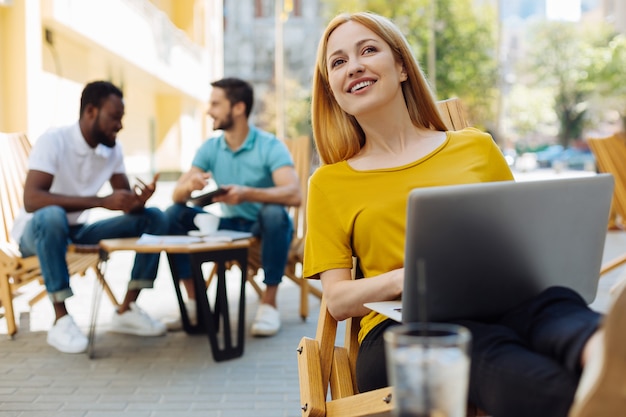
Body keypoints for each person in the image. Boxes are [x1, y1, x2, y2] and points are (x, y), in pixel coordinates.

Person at [303, 11, 626, 417]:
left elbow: (522, 245)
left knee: (553, 303)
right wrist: (410, 278)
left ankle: (608, 363)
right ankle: (582, 401)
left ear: (402, 65)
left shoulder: (475, 148)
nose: (354, 66)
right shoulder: (330, 183)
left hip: (499, 301)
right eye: (338, 62)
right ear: (332, 89)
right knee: (473, 340)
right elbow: (337, 300)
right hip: (403, 329)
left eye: (368, 49)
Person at [13, 80, 169, 354]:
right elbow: (32, 199)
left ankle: (127, 309)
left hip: (77, 230)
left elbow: (122, 201)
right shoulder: (55, 140)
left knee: (154, 217)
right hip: (37, 233)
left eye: (121, 118)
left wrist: (137, 202)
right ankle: (61, 318)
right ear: (90, 112)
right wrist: (100, 202)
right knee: (52, 215)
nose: (119, 125)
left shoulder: (112, 150)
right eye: (114, 117)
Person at [165, 77, 301, 337]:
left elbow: (294, 195)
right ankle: (195, 302)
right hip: (227, 227)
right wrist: (189, 186)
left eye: (216, 104)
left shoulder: (269, 145)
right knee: (174, 215)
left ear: (238, 108)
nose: (209, 111)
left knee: (274, 213)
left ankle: (269, 304)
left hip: (262, 229)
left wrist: (246, 193)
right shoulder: (210, 147)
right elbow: (176, 196)